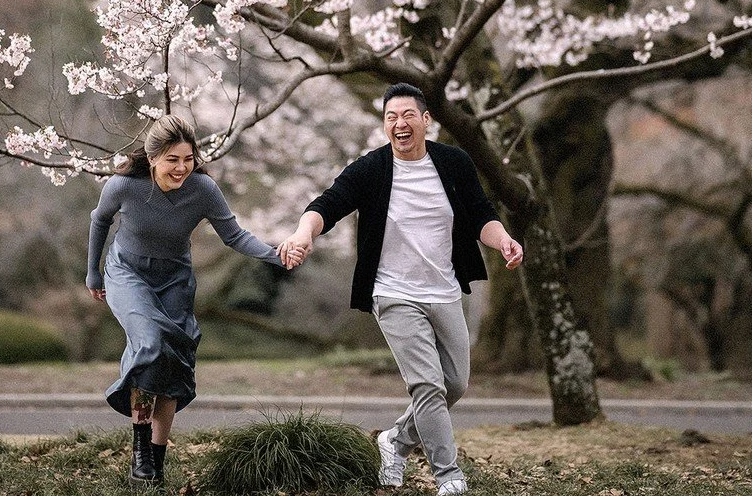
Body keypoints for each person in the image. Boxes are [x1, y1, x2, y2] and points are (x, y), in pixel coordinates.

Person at [279, 83, 524, 496]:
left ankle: (394, 440)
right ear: (385, 125)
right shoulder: (371, 169)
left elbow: (482, 215)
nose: (399, 123)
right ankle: (449, 476)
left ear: (426, 121)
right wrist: (303, 234)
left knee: (455, 384)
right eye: (391, 117)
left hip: (444, 290)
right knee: (428, 385)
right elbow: (327, 204)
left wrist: (503, 241)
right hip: (393, 293)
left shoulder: (454, 163)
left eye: (408, 115)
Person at [86, 114, 286, 486]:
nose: (182, 168)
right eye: (172, 160)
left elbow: (235, 236)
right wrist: (93, 272)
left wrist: (276, 254)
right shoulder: (123, 186)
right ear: (153, 157)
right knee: (150, 343)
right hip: (128, 272)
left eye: (188, 159)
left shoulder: (203, 190)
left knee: (174, 360)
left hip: (175, 278)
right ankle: (140, 449)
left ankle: (155, 463)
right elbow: (100, 220)